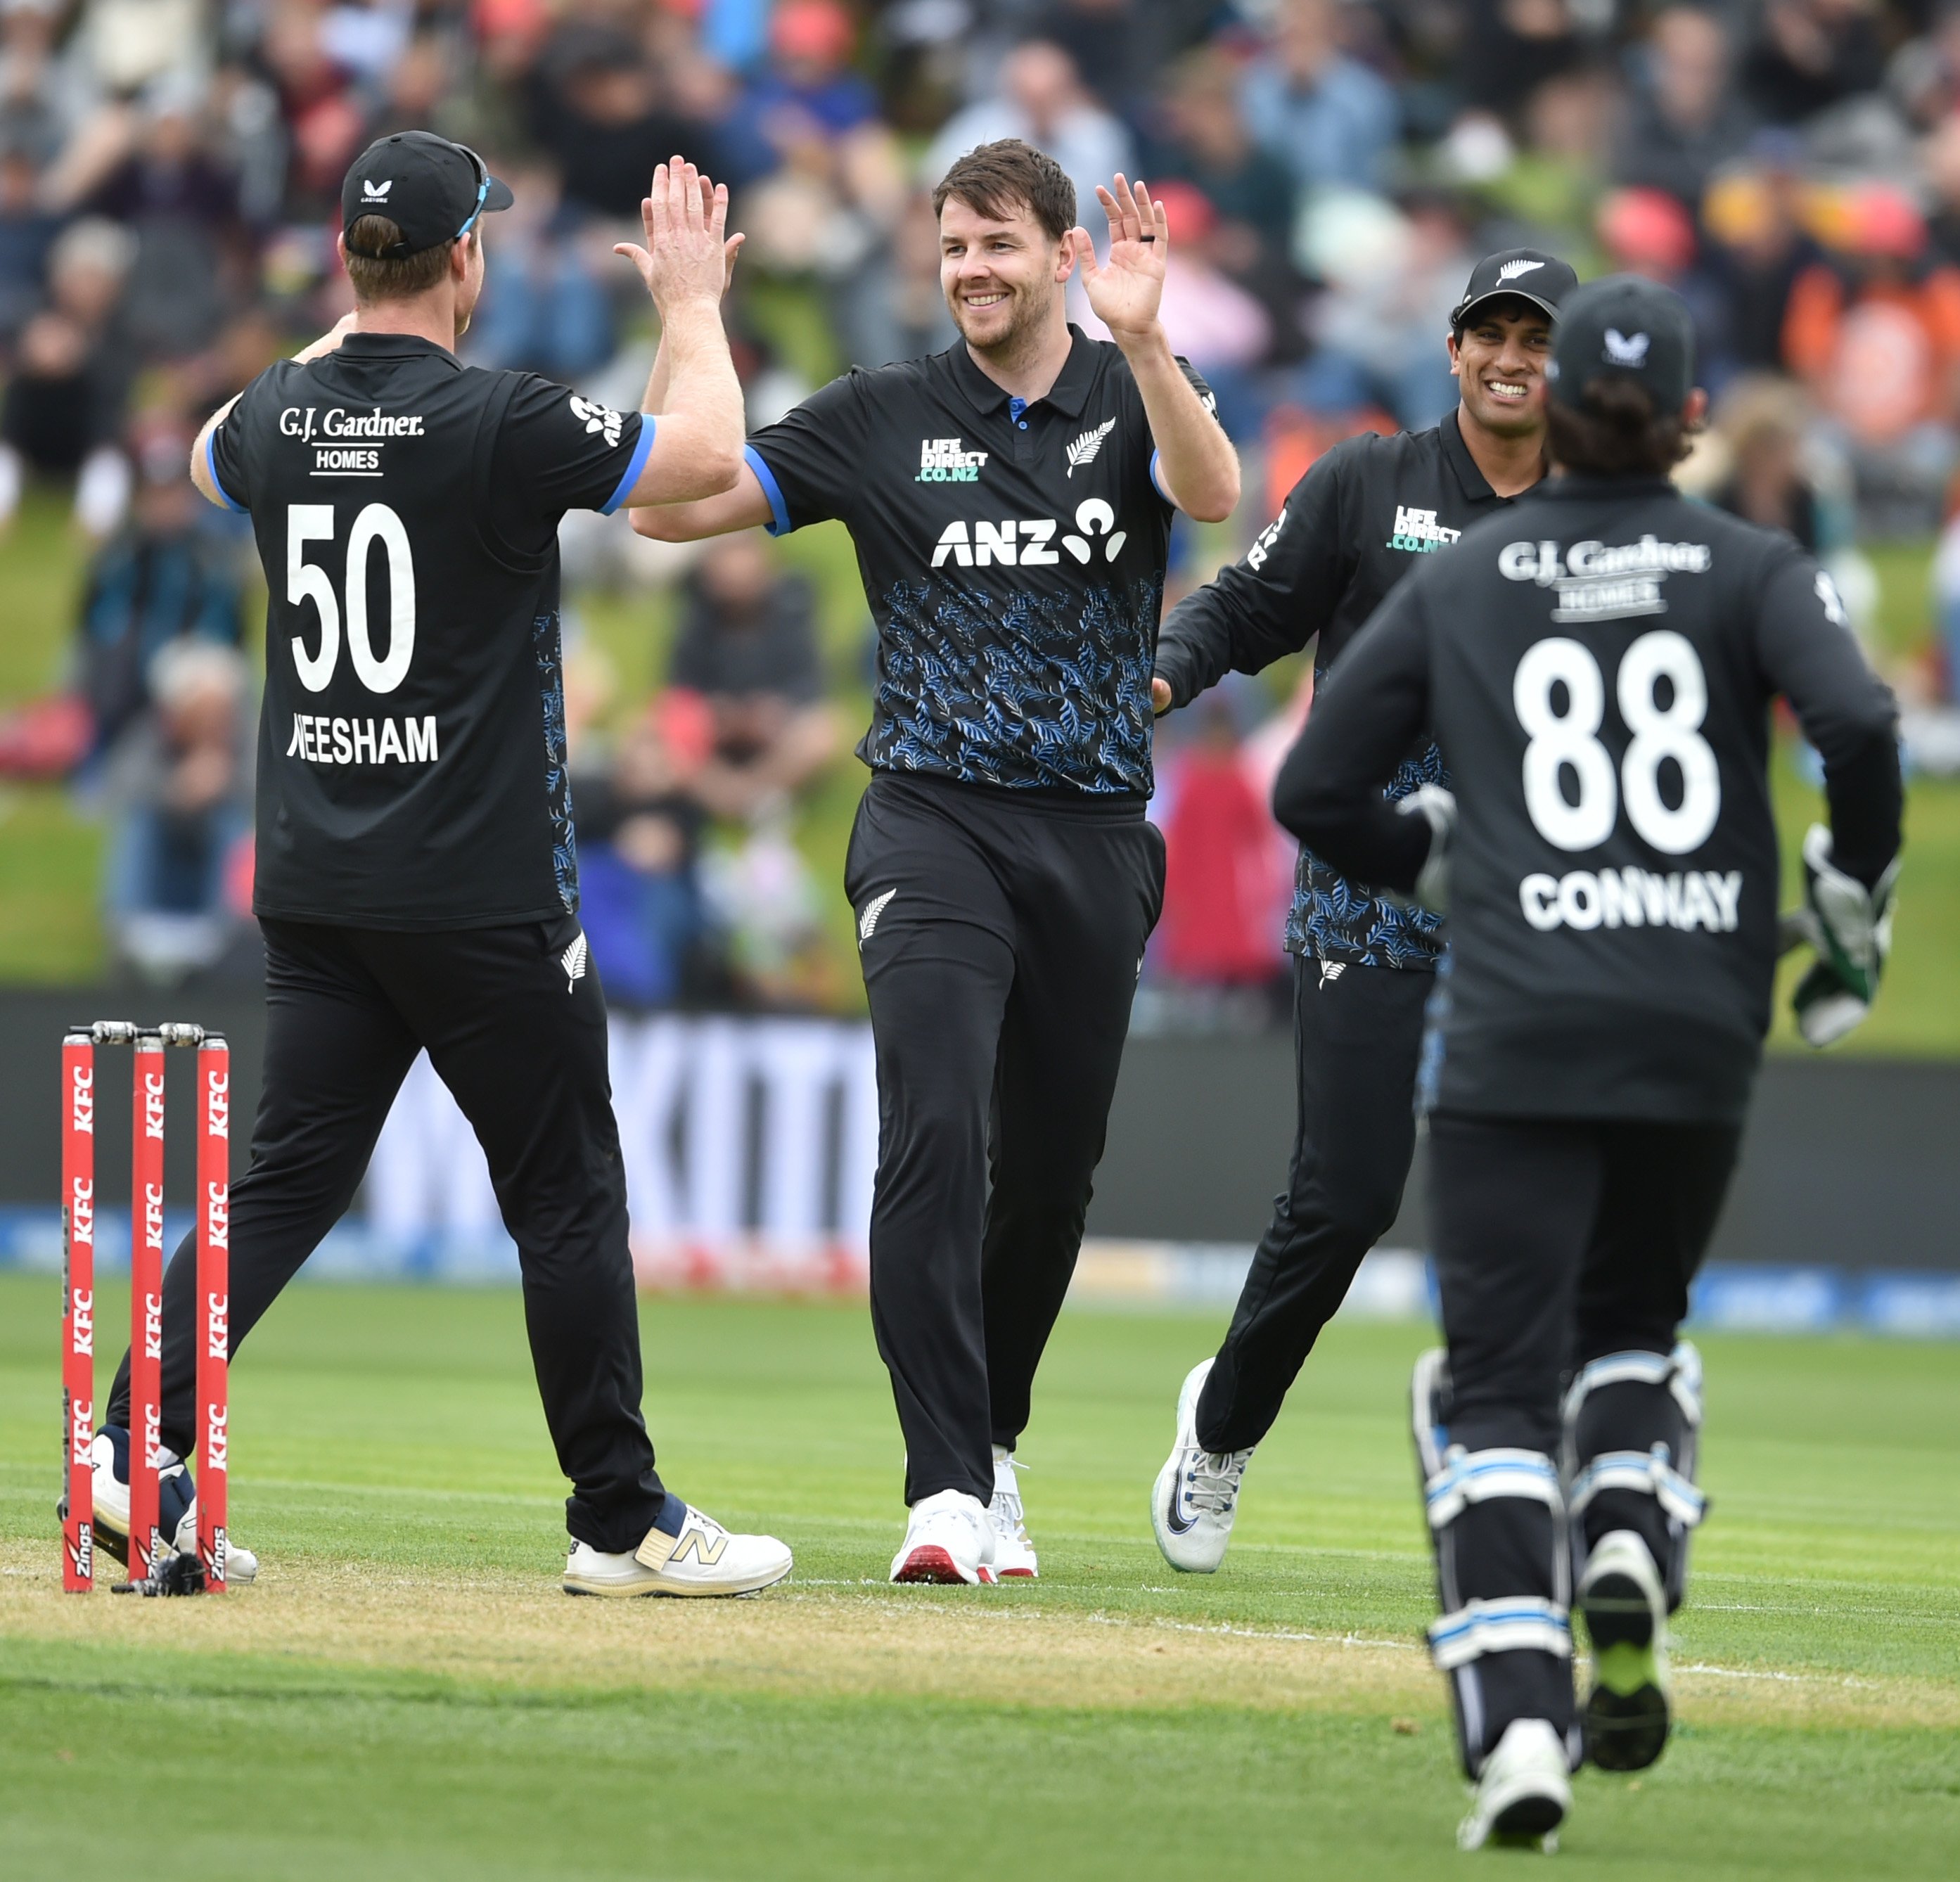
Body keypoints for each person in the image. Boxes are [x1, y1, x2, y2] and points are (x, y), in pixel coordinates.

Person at [89, 134, 794, 1599]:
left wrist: (345, 318)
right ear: (469, 257)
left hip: (319, 887)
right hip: (479, 895)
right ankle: (618, 1519)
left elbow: (226, 440)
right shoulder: (501, 419)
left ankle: (124, 1451)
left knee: (282, 1187)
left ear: (350, 265)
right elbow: (711, 460)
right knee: (565, 1196)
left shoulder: (280, 416)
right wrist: (685, 307)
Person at [1270, 275, 1901, 1848]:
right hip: (1693, 1016)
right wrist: (1848, 900)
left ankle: (1519, 1739)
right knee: (1632, 1326)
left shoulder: (1474, 570)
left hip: (1516, 1014)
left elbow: (1313, 785)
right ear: (1690, 421)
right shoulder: (1750, 561)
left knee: (1488, 1387)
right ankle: (1622, 1527)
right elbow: (1863, 728)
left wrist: (1436, 863)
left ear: (1554, 408)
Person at [632, 138, 1239, 1584]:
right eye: (952, 247)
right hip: (929, 819)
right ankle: (943, 1490)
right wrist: (687, 316)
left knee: (1046, 1176)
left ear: (1060, 259)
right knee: (931, 1132)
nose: (970, 270)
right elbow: (667, 504)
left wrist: (1148, 344)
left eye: (997, 246)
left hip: (1092, 830)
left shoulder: (1125, 387)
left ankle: (994, 1444)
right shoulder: (881, 415)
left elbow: (1210, 496)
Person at [1146, 247, 1578, 1574]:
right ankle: (1219, 1433)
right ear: (1452, 351)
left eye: (1537, 338)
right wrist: (1159, 679)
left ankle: (1534, 1471)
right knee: (1346, 1196)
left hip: (1535, 887)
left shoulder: (1609, 516)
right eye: (1489, 333)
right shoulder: (1367, 481)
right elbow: (1252, 606)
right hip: (1372, 866)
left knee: (1555, 1190)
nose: (1512, 357)